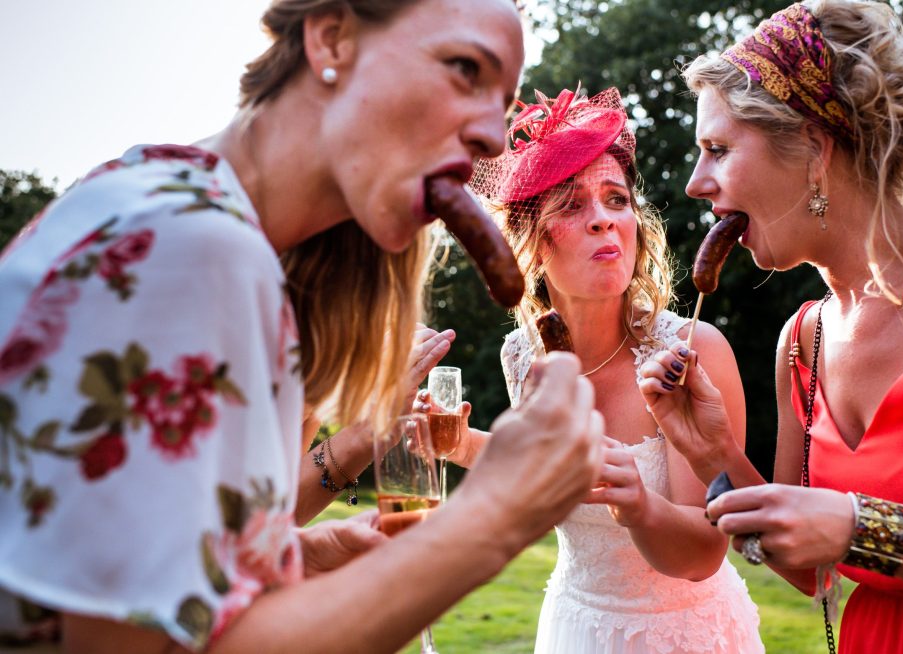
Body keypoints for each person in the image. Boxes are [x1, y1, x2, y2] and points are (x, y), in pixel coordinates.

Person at [0, 1, 607, 652]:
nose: (493, 135)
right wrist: (495, 515)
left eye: (505, 102)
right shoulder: (198, 252)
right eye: (465, 69)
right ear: (331, 38)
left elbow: (128, 566)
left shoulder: (165, 193)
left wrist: (300, 555)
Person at [638, 1, 903, 651]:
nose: (693, 184)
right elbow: (811, 572)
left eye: (717, 149)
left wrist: (862, 527)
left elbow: (845, 535)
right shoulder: (804, 339)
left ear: (815, 151)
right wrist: (712, 453)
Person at [418, 86, 763, 653]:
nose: (603, 220)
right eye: (572, 205)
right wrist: (457, 442)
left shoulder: (690, 351)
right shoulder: (523, 355)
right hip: (575, 625)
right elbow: (544, 473)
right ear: (531, 242)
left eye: (615, 199)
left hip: (686, 635)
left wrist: (636, 503)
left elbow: (703, 556)